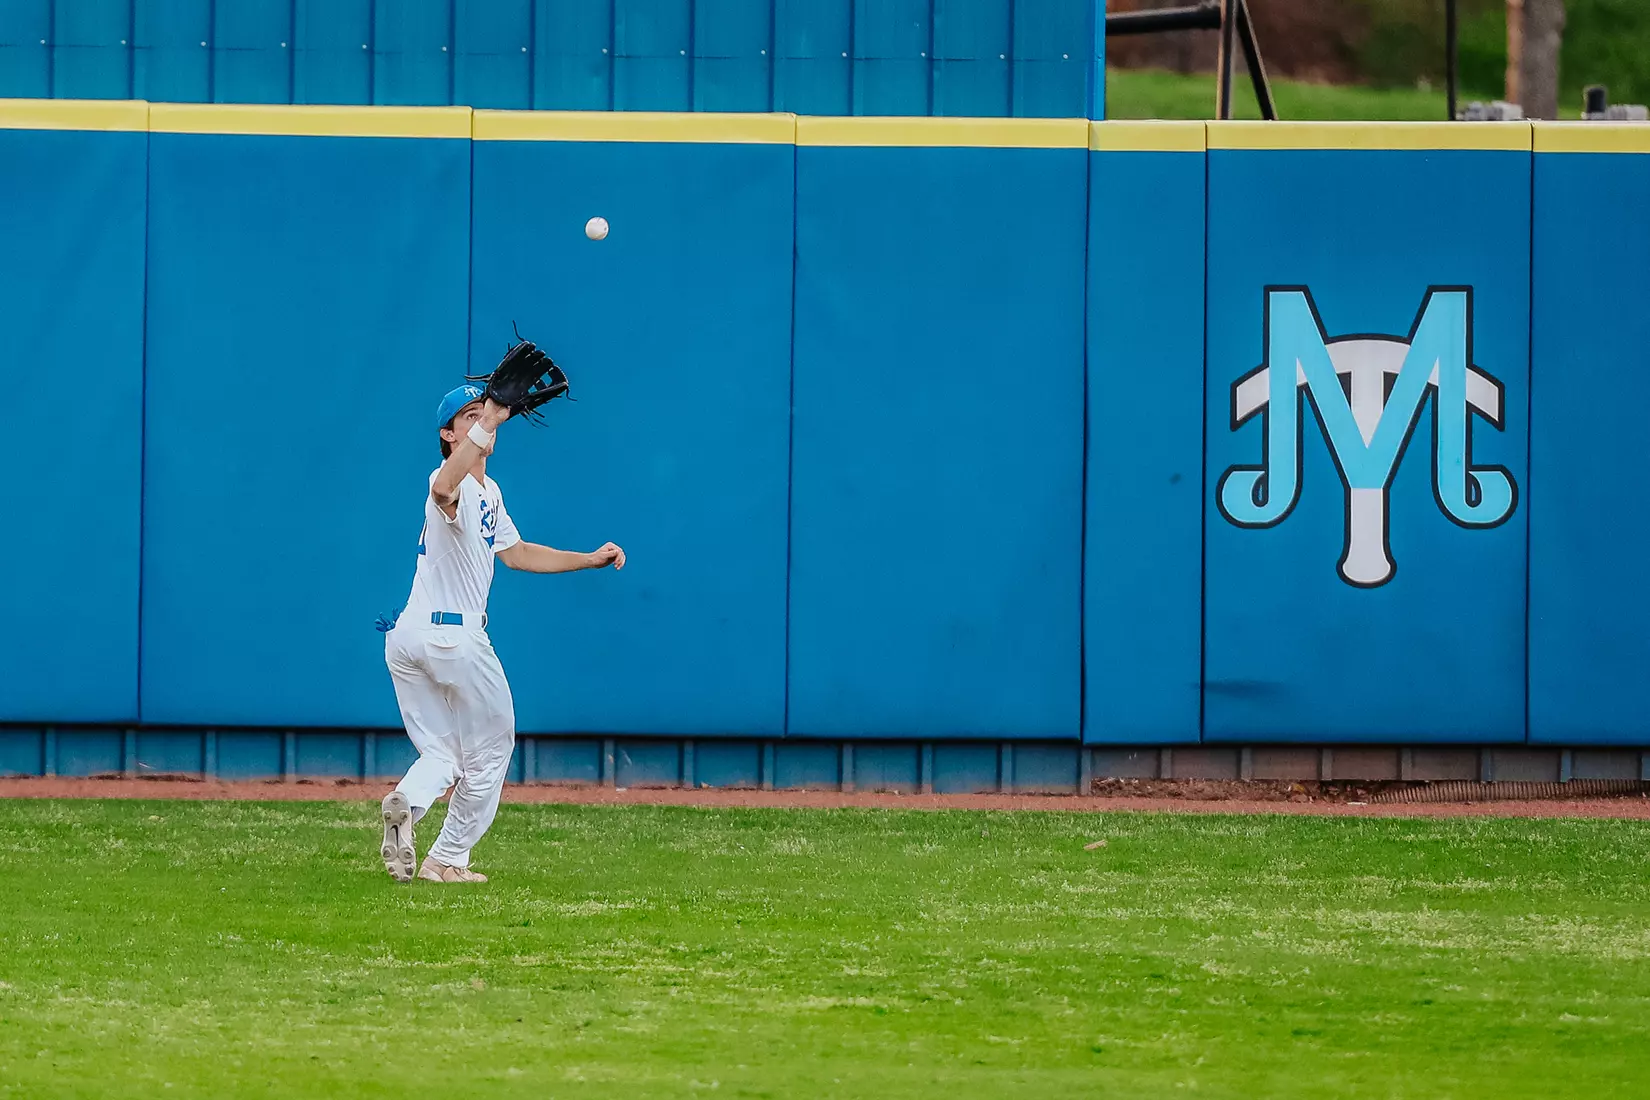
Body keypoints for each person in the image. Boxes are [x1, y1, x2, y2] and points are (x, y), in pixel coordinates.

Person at [377, 383, 624, 885]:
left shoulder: (489, 492)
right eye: (467, 417)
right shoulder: (454, 483)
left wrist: (589, 559)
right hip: (454, 639)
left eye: (482, 412)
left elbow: (518, 553)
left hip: (407, 639)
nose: (480, 419)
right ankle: (446, 859)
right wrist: (489, 422)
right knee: (491, 750)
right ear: (448, 435)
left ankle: (408, 802)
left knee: (445, 754)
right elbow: (443, 489)